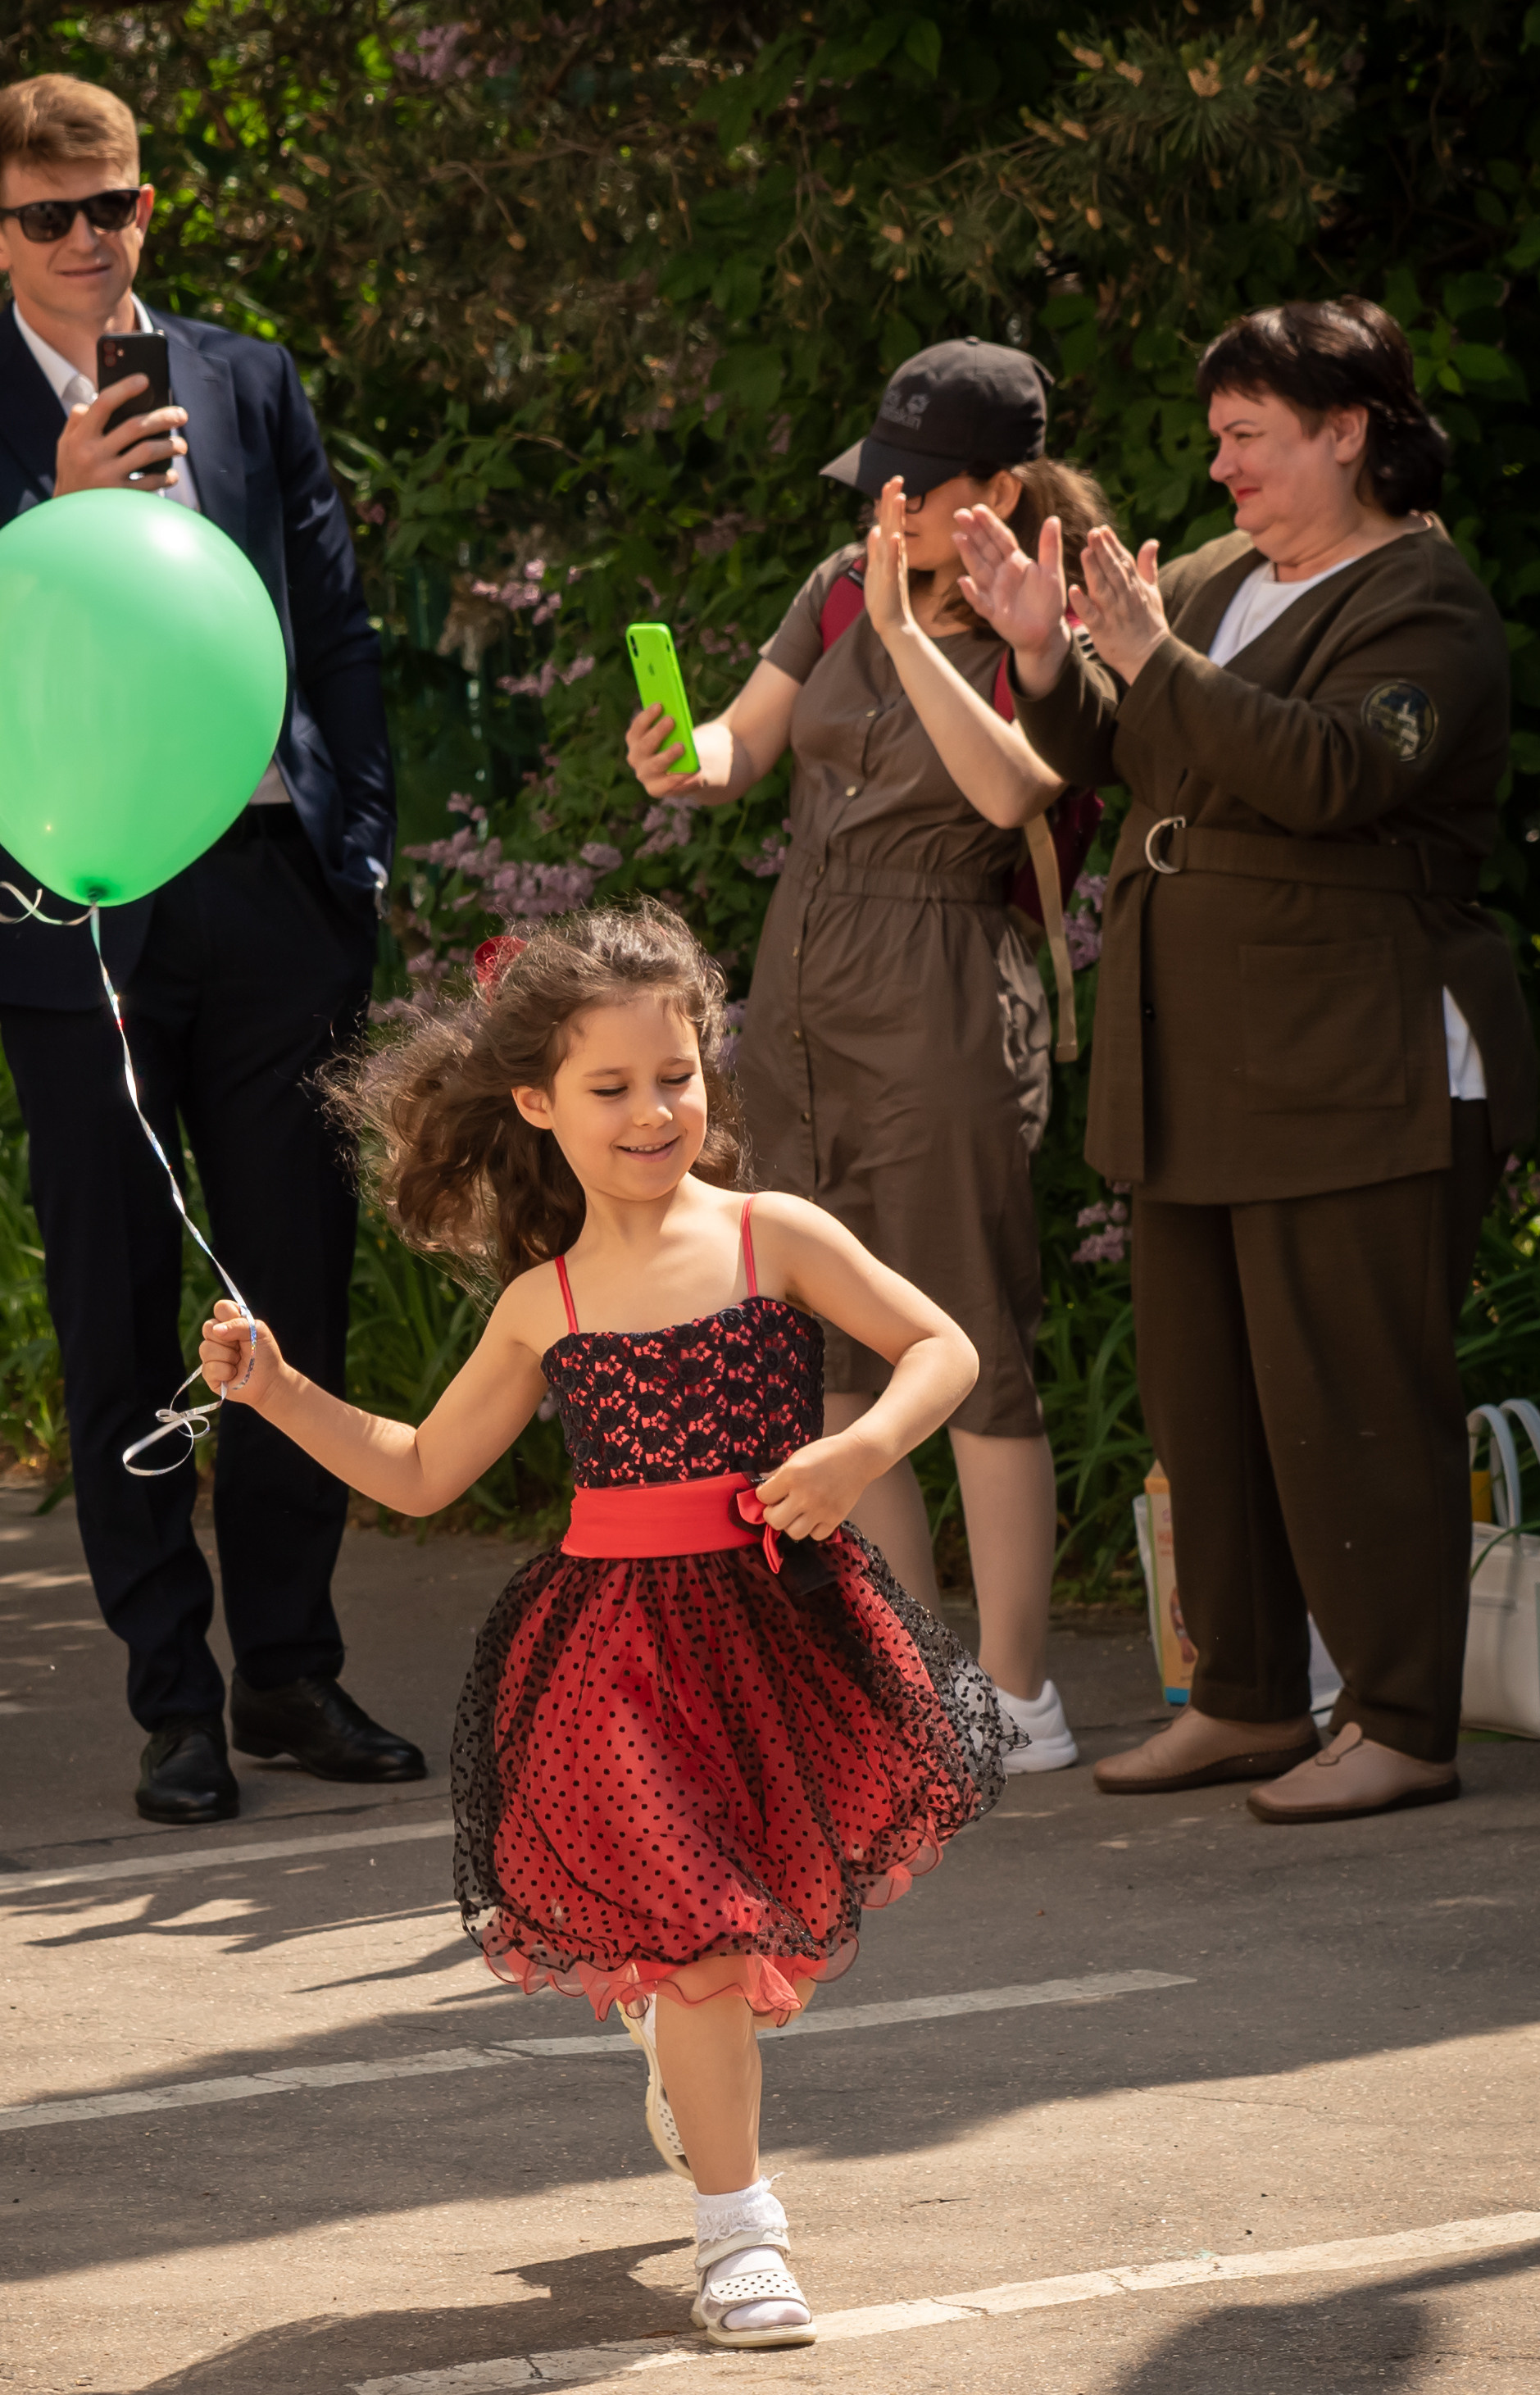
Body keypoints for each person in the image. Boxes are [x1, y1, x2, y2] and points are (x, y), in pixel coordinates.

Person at [194, 907, 1020, 2346]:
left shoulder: (777, 1236)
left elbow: (939, 1347)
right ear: (537, 1105)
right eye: (612, 1087)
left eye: (677, 1076)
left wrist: (853, 1455)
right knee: (704, 1941)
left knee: (751, 1946)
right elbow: (417, 1469)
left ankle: (684, 2050)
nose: (655, 1112)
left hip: (779, 1631)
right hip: (614, 1655)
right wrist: (273, 1391)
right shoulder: (545, 1301)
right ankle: (739, 2234)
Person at [0, 73, 422, 1826]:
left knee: (287, 1290)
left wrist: (359, 854)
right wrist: (53, 507)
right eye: (50, 216)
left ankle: (293, 1671)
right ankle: (171, 1697)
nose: (90, 240)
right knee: (114, 1302)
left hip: (265, 888)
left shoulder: (249, 377)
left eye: (115, 208)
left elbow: (330, 620)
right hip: (68, 900)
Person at [956, 296, 1538, 1824]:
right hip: (1200, 1060)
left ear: (1348, 431)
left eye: (1249, 439)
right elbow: (1120, 747)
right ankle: (1245, 1698)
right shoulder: (1213, 581)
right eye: (1215, 440)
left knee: (1351, 1395)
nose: (1220, 471)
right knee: (1201, 1400)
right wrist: (1042, 655)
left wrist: (1145, 665)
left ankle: (1402, 1719)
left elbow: (1331, 774)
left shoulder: (1428, 602)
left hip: (1354, 1062)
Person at [625, 339, 1113, 1773]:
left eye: (914, 487)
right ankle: (918, 1680)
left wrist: (912, 637)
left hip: (944, 984)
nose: (883, 510)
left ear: (1000, 488)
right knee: (836, 1351)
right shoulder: (840, 583)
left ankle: (1019, 1692)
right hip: (798, 991)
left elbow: (1015, 789)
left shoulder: (1047, 621)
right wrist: (686, 754)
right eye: (875, 482)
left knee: (967, 1341)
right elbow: (746, 744)